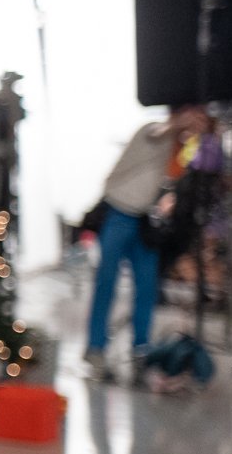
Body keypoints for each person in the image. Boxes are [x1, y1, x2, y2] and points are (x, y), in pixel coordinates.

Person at [85, 105, 210, 378]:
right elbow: (159, 132)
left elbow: (179, 172)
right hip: (119, 211)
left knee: (147, 284)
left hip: (144, 219)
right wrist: (178, 126)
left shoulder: (180, 146)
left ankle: (141, 348)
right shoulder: (150, 131)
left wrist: (192, 138)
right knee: (107, 280)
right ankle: (96, 348)